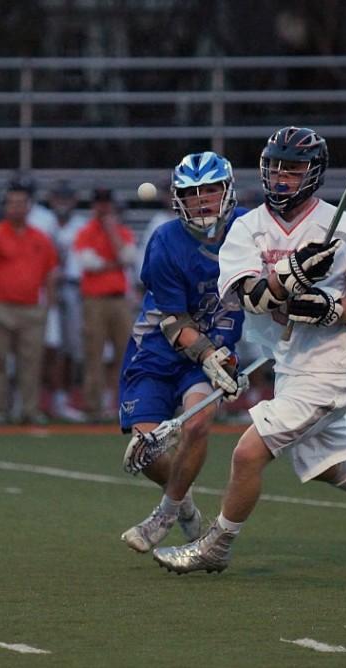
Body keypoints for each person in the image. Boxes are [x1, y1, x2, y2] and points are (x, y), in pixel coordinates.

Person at [153, 127, 346, 575]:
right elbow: (250, 297)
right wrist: (294, 274)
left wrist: (332, 308)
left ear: (313, 174)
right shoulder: (247, 227)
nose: (281, 178)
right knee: (325, 463)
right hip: (289, 363)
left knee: (247, 452)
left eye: (293, 169)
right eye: (275, 167)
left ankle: (215, 546)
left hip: (331, 367)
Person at [119, 152, 249, 554]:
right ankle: (185, 500)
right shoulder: (165, 241)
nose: (202, 200)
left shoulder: (251, 229)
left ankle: (166, 512)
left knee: (196, 424)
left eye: (211, 190)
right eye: (192, 193)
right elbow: (174, 323)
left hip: (214, 347)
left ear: (227, 191)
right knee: (147, 452)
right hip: (158, 351)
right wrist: (211, 355)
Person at [0, 179, 58, 424]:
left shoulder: (40, 237)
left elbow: (51, 270)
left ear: (29, 206)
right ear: (5, 206)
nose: (16, 208)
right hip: (2, 307)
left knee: (31, 363)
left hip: (32, 308)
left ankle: (29, 409)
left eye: (21, 203)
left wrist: (48, 304)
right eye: (12, 203)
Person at [72, 188, 137, 420]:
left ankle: (124, 404)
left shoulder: (121, 231)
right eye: (99, 203)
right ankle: (94, 406)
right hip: (94, 300)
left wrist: (111, 233)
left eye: (106, 203)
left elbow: (129, 258)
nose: (103, 208)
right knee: (94, 354)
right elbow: (88, 263)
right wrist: (115, 263)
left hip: (119, 299)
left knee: (126, 354)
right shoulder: (85, 232)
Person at [46, 180, 88, 421]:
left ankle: (63, 398)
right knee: (48, 347)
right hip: (45, 291)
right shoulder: (43, 222)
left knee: (71, 348)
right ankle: (48, 399)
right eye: (59, 197)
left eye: (67, 198)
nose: (63, 202)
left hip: (73, 288)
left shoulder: (80, 226)